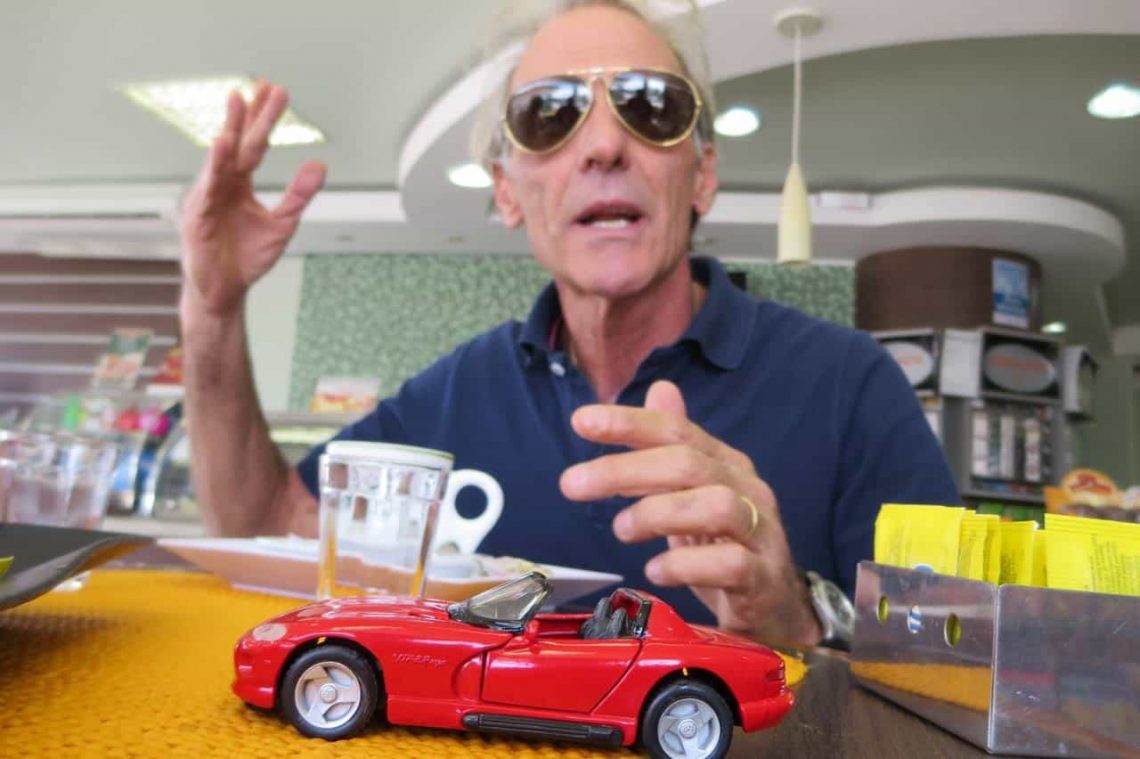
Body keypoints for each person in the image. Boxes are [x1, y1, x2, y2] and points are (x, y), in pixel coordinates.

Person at [178, 0, 959, 648]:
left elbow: (953, 664)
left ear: (702, 174)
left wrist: (795, 619)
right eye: (549, 115)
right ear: (506, 189)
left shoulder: (852, 384)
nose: (606, 145)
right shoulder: (457, 392)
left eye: (650, 107)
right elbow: (263, 525)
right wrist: (212, 312)